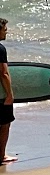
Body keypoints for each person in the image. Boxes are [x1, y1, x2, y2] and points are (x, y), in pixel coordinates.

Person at [0, 17, 14, 164]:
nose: (6, 32)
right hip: (1, 95)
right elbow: (3, 73)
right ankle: (2, 156)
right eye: (4, 29)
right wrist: (9, 94)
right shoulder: (0, 49)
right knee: (5, 124)